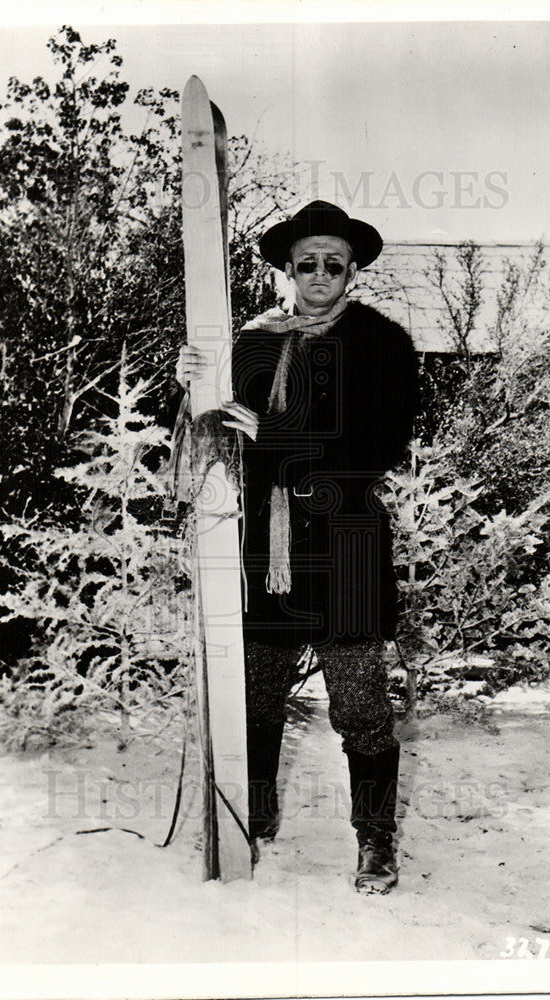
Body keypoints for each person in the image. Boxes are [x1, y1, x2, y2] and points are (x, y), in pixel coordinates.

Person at [176, 200, 419, 893]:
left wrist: (275, 436)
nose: (318, 274)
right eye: (306, 262)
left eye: (332, 264)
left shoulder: (382, 344)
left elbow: (375, 450)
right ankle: (249, 816)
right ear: (287, 266)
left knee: (361, 709)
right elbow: (214, 435)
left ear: (351, 272)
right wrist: (194, 383)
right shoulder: (251, 341)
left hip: (345, 546)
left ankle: (374, 842)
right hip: (265, 551)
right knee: (251, 697)